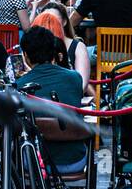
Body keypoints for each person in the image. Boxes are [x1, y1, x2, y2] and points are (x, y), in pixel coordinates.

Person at [15, 27, 86, 171]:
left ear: (26, 55)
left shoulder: (19, 85)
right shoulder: (75, 78)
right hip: (73, 161)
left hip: (35, 163)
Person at [31, 5, 90, 90]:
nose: (49, 23)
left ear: (64, 22)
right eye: (45, 19)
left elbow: (82, 85)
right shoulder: (33, 46)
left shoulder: (77, 47)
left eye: (54, 19)